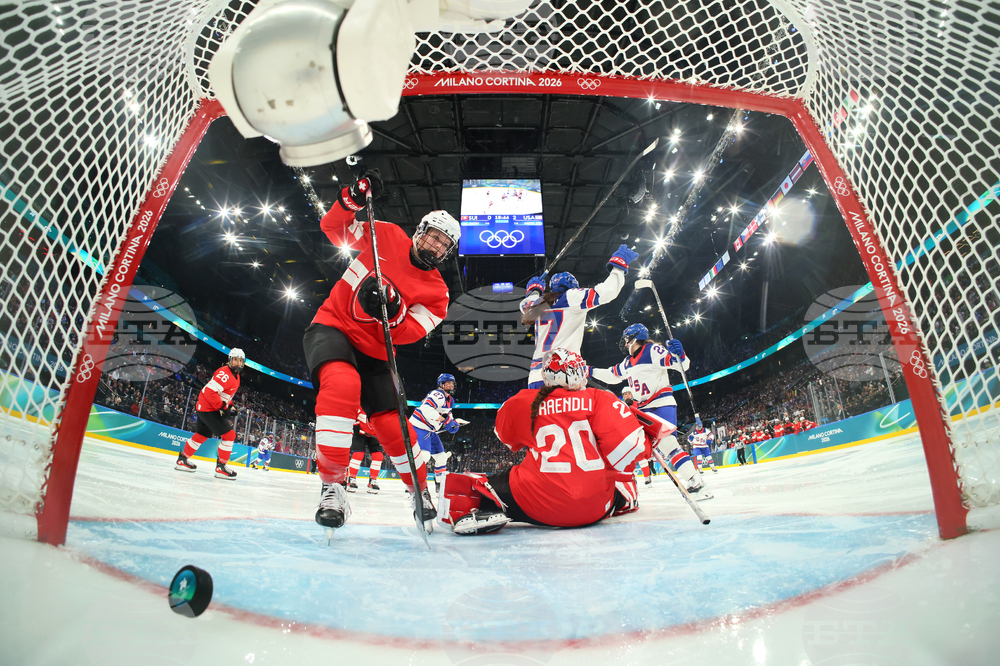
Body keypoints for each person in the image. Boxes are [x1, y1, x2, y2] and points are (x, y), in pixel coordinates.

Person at [302, 170, 457, 535]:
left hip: (377, 351)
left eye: (444, 244)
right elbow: (333, 228)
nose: (436, 246)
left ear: (447, 254)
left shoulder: (439, 295)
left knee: (393, 425)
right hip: (333, 326)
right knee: (341, 386)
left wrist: (393, 306)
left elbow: (409, 334)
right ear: (420, 232)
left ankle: (419, 490)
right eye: (433, 236)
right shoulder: (385, 234)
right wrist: (353, 196)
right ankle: (333, 486)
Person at [436, 348, 649, 535]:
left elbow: (505, 438)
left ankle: (479, 506)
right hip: (596, 509)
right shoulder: (601, 398)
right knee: (615, 477)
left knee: (488, 483)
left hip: (540, 506)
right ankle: (626, 498)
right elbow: (632, 448)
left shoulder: (524, 401)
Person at [590, 324, 710, 498]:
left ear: (635, 338)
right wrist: (589, 371)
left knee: (668, 444)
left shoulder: (652, 350)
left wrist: (681, 355)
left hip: (661, 403)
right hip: (644, 408)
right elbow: (611, 375)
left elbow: (681, 366)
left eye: (626, 339)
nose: (624, 344)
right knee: (630, 441)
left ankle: (696, 482)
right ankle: (625, 480)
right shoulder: (627, 362)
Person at [519, 244, 639, 388]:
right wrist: (619, 265)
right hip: (562, 373)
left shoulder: (539, 304)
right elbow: (607, 292)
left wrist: (534, 290)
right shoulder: (571, 296)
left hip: (536, 376)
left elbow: (525, 307)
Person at [174, 348, 245, 480]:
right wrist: (223, 407)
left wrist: (231, 407)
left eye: (240, 361)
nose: (237, 363)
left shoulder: (236, 377)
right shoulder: (224, 373)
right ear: (230, 360)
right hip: (209, 408)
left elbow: (225, 396)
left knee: (201, 435)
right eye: (235, 360)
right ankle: (221, 467)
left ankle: (182, 460)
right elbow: (209, 393)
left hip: (205, 407)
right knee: (229, 435)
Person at [409, 373, 460, 491]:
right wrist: (445, 421)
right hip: (420, 427)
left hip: (430, 430)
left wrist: (453, 423)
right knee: (424, 456)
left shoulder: (450, 399)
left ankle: (439, 485)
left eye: (452, 383)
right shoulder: (437, 394)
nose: (451, 385)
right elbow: (426, 410)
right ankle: (413, 484)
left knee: (442, 457)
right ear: (441, 384)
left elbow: (447, 414)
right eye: (448, 383)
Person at [347, 409, 383, 494]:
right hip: (360, 432)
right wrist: (355, 424)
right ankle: (351, 478)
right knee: (358, 454)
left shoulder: (381, 404)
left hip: (374, 433)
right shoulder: (361, 400)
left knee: (378, 455)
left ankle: (373, 480)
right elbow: (351, 411)